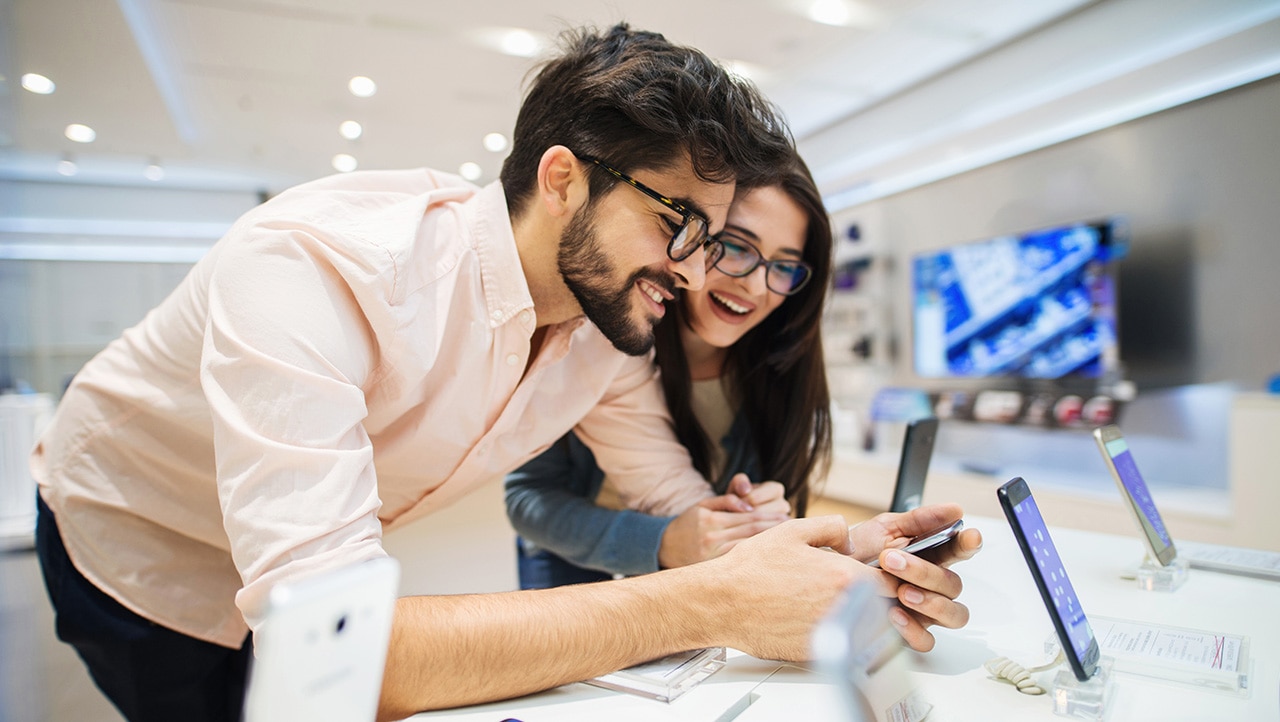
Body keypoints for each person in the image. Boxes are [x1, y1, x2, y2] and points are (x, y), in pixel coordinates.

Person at [30, 23, 979, 722]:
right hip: (137, 540)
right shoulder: (315, 267)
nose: (694, 273)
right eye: (677, 224)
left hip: (288, 563)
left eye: (712, 237)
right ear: (563, 177)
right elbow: (343, 653)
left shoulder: (607, 325)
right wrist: (709, 599)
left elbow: (677, 506)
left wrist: (840, 555)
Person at [506, 152, 835, 587]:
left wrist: (754, 511)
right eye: (735, 247)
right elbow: (528, 496)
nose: (755, 285)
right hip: (576, 573)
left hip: (696, 575)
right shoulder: (600, 340)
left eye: (784, 266)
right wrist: (660, 541)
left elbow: (709, 514)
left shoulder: (776, 365)